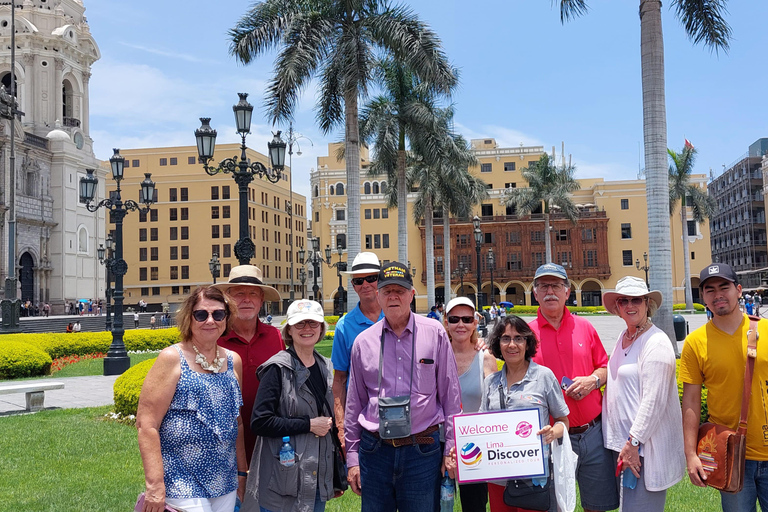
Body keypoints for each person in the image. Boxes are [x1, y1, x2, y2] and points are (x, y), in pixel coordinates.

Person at [345, 262, 462, 511]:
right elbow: (354, 404)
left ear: (411, 295)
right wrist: (353, 458)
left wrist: (450, 449)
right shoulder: (362, 343)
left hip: (422, 451)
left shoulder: (435, 334)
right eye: (387, 291)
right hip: (374, 451)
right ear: (378, 296)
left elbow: (451, 398)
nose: (394, 296)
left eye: (400, 290)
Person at [136, 286, 246, 512]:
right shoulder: (172, 358)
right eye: (201, 314)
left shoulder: (233, 360)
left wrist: (242, 472)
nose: (210, 321)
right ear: (189, 317)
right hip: (180, 477)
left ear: (226, 318)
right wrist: (154, 485)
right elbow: (147, 424)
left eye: (218, 314)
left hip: (224, 476)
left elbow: (237, 422)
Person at [528, 263, 618, 512]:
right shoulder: (525, 335)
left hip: (592, 434)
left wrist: (593, 381)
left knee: (597, 506)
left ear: (568, 292)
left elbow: (604, 367)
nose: (550, 291)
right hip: (550, 438)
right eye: (543, 286)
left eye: (556, 285)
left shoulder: (585, 327)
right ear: (535, 293)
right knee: (554, 506)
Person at [681, 263, 768, 511]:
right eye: (710, 290)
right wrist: (691, 455)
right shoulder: (695, 343)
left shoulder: (766, 330)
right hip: (730, 455)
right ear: (704, 298)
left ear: (739, 290)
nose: (718, 294)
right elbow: (691, 402)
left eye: (724, 287)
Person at [242, 300, 339, 512]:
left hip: (314, 475)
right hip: (282, 479)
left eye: (313, 324)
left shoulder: (325, 366)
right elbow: (260, 422)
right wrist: (308, 424)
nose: (307, 329)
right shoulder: (277, 368)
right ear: (289, 330)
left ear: (322, 328)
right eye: (300, 324)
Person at [601, 276, 685, 510]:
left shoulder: (656, 342)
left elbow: (654, 401)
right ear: (617, 307)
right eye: (623, 300)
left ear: (647, 304)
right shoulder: (623, 337)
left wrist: (633, 442)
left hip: (642, 449)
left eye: (636, 300)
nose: (630, 306)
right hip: (622, 446)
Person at [472, 315, 570, 511]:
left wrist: (553, 432)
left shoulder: (544, 376)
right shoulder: (491, 382)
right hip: (498, 476)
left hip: (533, 476)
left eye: (519, 338)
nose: (512, 344)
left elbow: (563, 421)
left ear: (527, 343)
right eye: (505, 338)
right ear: (498, 344)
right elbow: (480, 428)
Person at [214, 265, 284, 466]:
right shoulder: (215, 338)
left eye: (253, 293)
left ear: (261, 300)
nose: (246, 299)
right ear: (228, 299)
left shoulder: (275, 336)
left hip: (268, 437)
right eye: (239, 293)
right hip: (225, 440)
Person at [443, 296, 498, 512]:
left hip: (474, 445)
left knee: (474, 506)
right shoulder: (435, 355)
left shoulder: (485, 357)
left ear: (476, 322)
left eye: (466, 319)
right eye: (454, 319)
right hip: (439, 443)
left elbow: (493, 403)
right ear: (446, 322)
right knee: (437, 505)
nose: (460, 325)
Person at [331, 252, 382, 449]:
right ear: (353, 286)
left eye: (372, 278)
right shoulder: (344, 326)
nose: (366, 284)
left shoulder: (397, 317)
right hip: (361, 421)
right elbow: (339, 379)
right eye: (359, 280)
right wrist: (341, 427)